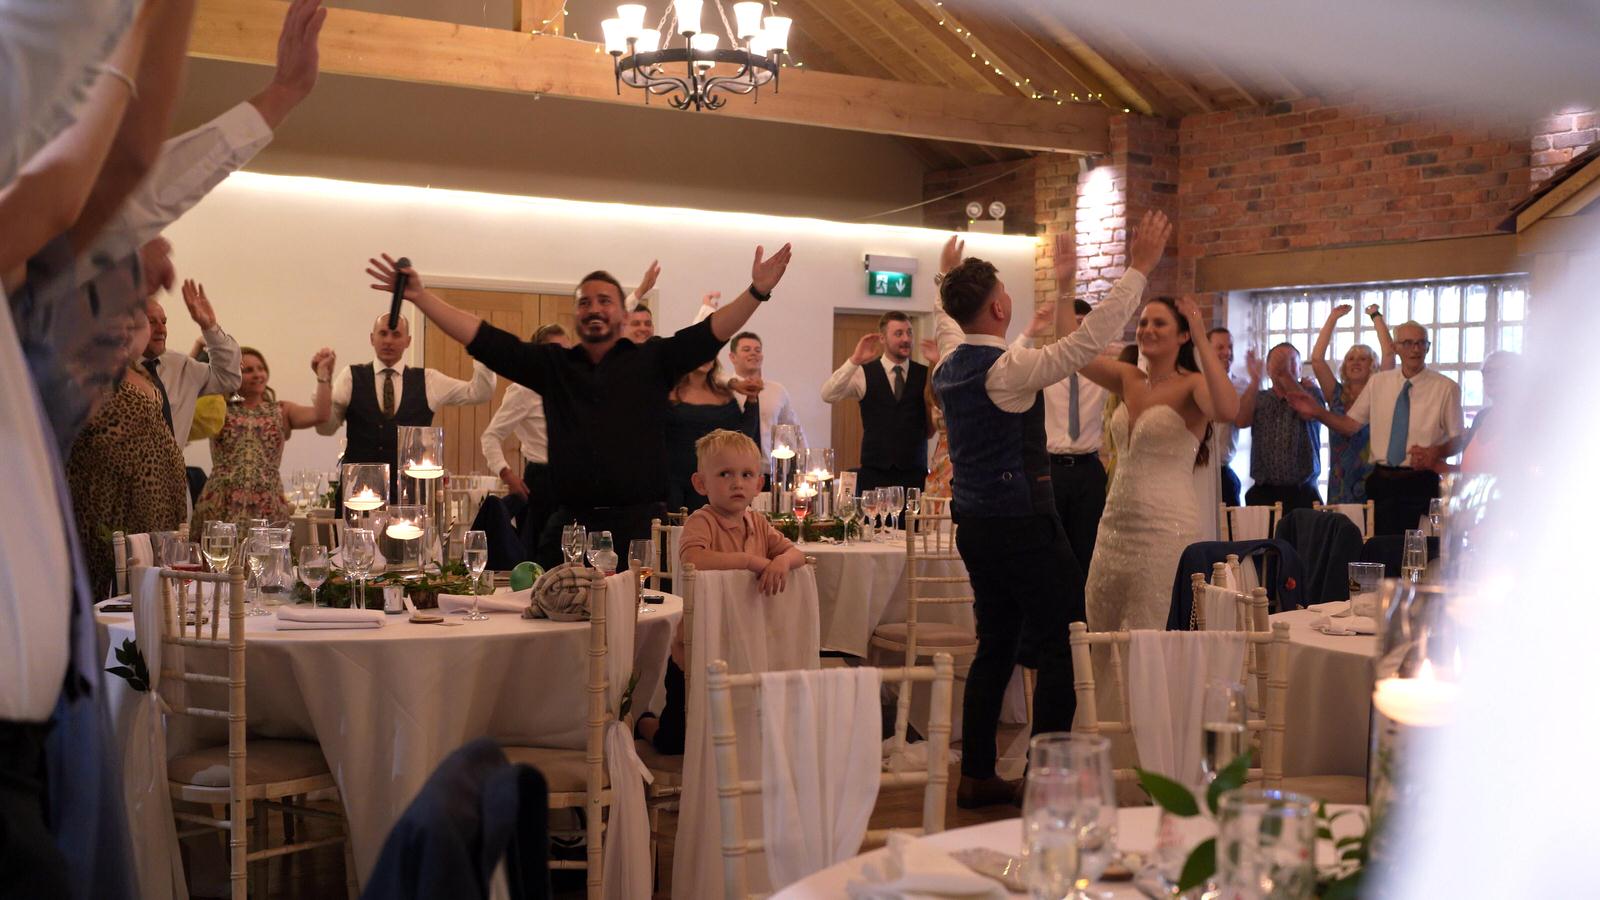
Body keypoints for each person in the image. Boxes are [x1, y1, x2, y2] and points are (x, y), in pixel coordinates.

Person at [930, 212, 1171, 807]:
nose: (1010, 299)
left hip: (975, 526)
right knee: (1067, 636)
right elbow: (1089, 340)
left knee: (995, 645)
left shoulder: (949, 362)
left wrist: (947, 278)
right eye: (1005, 293)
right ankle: (1048, 779)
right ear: (998, 311)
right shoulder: (1008, 370)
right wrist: (1138, 269)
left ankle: (978, 776)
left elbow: (944, 323)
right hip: (1024, 525)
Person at [365, 245, 793, 568]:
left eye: (605, 300)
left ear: (622, 316)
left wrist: (757, 291)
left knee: (642, 645)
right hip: (570, 526)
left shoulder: (654, 361)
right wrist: (421, 298)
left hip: (641, 527)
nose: (594, 308)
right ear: (576, 317)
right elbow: (485, 339)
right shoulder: (555, 367)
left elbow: (711, 332)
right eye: (585, 302)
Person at [636, 429, 807, 754]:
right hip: (697, 646)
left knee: (733, 724)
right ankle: (644, 721)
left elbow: (796, 553)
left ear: (759, 484)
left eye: (746, 475)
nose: (737, 483)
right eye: (725, 474)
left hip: (742, 643)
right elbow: (693, 559)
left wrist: (782, 562)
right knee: (678, 740)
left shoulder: (757, 523)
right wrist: (748, 561)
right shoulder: (703, 521)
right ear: (701, 484)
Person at [1079, 293, 1240, 633]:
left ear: (1181, 336)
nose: (1147, 329)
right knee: (1102, 627)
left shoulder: (1192, 384)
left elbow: (1227, 410)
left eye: (1159, 323)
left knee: (1151, 632)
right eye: (1143, 322)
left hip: (1165, 529)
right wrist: (1065, 286)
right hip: (1113, 530)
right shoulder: (1128, 379)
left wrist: (1200, 331)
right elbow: (1075, 354)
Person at [1290, 320, 1464, 534]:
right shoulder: (1379, 383)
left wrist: (1437, 451)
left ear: (1428, 347)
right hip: (1382, 481)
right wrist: (1318, 412)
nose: (1415, 349)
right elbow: (1349, 426)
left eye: (1421, 343)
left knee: (1418, 549)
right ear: (1396, 347)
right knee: (1379, 549)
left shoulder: (1446, 387)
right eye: (1408, 343)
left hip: (1420, 480)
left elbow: (1459, 439)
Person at [67, 306, 188, 598]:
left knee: (159, 591)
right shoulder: (83, 374)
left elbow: (140, 330)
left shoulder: (134, 368)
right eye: (114, 326)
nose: (124, 332)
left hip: (159, 503)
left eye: (128, 327)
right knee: (119, 590)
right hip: (114, 504)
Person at [317, 313, 495, 499]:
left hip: (410, 499)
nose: (388, 341)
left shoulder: (429, 380)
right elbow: (325, 428)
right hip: (356, 497)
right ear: (372, 338)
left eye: (396, 335)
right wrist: (323, 382)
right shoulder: (350, 377)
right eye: (383, 333)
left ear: (408, 340)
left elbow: (479, 392)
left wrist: (482, 348)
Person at [190, 346, 333, 533]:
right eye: (248, 370)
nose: (257, 374)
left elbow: (321, 415)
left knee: (267, 560)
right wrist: (197, 350)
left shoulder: (281, 410)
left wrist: (323, 375)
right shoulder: (219, 408)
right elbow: (186, 396)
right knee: (219, 558)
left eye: (261, 368)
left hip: (267, 504)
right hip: (222, 502)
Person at [480, 323, 571, 554]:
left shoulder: (571, 386)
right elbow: (490, 436)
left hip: (572, 477)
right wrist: (506, 473)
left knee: (572, 550)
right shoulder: (523, 390)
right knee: (542, 551)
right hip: (543, 480)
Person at [822, 311, 932, 494]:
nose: (906, 339)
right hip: (874, 475)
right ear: (882, 338)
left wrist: (938, 362)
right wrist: (854, 360)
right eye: (898, 334)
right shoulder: (863, 373)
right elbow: (828, 394)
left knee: (913, 523)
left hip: (915, 475)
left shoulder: (925, 374)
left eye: (909, 333)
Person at [1043, 299, 1111, 570]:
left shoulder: (1103, 371)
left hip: (1088, 469)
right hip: (1051, 469)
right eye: (1072, 325)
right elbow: (1008, 366)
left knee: (1088, 553)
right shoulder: (1046, 366)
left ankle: (1085, 612)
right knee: (1050, 551)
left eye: (1083, 325)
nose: (1077, 332)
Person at [1309, 303, 1396, 503]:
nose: (1356, 362)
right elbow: (1317, 360)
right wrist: (1332, 319)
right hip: (1340, 484)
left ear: (1372, 365)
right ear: (1344, 366)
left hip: (1373, 480)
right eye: (1351, 358)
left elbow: (1389, 354)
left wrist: (1376, 316)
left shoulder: (1379, 391)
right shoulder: (1335, 394)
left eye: (1363, 358)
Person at [139, 277, 242, 445]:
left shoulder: (180, 366)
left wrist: (210, 327)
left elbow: (228, 378)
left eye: (164, 322)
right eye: (152, 322)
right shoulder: (113, 371)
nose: (161, 330)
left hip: (172, 469)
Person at [1234, 342, 1326, 511]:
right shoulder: (1259, 397)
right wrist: (1255, 380)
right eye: (1279, 361)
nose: (1284, 365)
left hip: (1303, 492)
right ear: (1268, 369)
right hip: (1263, 492)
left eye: (1291, 360)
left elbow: (1308, 413)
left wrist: (1285, 375)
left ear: (1300, 368)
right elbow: (1240, 421)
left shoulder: (1312, 394)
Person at [667, 359, 758, 513]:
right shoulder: (669, 391)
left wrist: (752, 399)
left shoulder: (723, 394)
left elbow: (742, 435)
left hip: (714, 480)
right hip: (672, 479)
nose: (705, 356)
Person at [723, 331, 805, 460]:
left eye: (758, 350)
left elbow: (793, 430)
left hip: (770, 468)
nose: (753, 353)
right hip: (733, 464)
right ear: (733, 357)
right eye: (746, 349)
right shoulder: (724, 390)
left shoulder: (778, 391)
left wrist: (804, 462)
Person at [1207, 327, 1248, 507]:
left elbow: (1245, 419)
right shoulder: (1194, 382)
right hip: (1195, 471)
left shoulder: (1241, 385)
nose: (1227, 352)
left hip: (1223, 471)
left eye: (1230, 347)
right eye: (1220, 347)